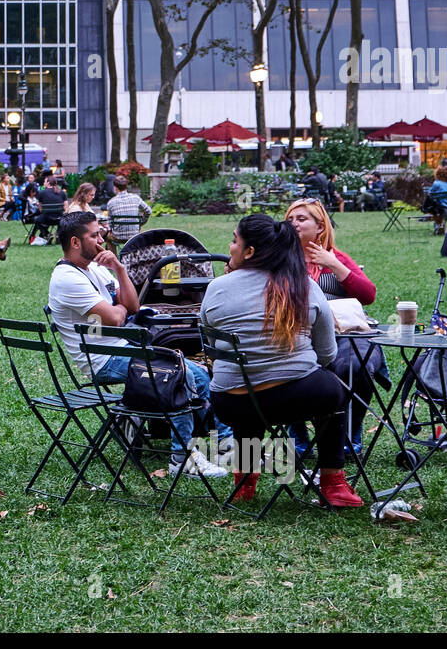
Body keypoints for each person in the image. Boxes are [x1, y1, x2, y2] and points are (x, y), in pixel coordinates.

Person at [48, 211, 230, 477]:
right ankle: (182, 459)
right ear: (75, 242)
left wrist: (119, 269)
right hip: (102, 359)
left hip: (125, 347)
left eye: (100, 232)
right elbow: (113, 318)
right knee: (178, 375)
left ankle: (226, 445)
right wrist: (119, 310)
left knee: (201, 373)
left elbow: (132, 306)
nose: (101, 239)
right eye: (94, 235)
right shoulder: (67, 278)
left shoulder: (98, 268)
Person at [200, 214, 365, 508]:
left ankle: (244, 481)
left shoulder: (217, 287)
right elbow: (327, 354)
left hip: (229, 402)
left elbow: (214, 346)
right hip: (294, 399)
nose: (230, 246)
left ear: (249, 252)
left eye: (234, 240)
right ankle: (333, 482)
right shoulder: (304, 285)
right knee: (333, 389)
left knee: (248, 389)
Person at [284, 198, 381, 455]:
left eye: (302, 219)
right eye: (290, 219)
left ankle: (350, 435)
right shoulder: (282, 260)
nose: (294, 224)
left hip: (344, 333)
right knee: (285, 362)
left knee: (356, 364)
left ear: (320, 226)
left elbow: (368, 295)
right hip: (299, 333)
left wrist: (334, 265)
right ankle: (299, 438)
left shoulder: (336, 257)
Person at [105, 174, 151, 246]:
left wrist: (111, 230)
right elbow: (148, 211)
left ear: (115, 188)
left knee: (108, 238)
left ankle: (114, 256)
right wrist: (141, 223)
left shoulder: (111, 202)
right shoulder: (136, 198)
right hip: (134, 235)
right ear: (126, 186)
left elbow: (110, 222)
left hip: (118, 236)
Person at [30, 175, 67, 244]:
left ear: (48, 183)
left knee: (37, 220)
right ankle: (58, 235)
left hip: (46, 219)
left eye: (44, 182)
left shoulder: (42, 193)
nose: (43, 183)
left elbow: (40, 209)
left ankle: (47, 234)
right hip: (59, 219)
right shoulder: (62, 192)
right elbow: (66, 207)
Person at [423, 164, 447, 233]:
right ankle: (441, 225)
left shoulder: (436, 183)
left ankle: (439, 224)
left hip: (440, 209)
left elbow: (431, 194)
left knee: (430, 205)